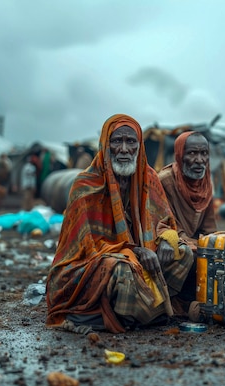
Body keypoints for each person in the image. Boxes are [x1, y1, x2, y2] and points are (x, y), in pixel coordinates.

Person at [46, 114, 194, 334]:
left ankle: (144, 310)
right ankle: (133, 313)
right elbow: (86, 249)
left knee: (182, 253)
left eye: (131, 142)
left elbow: (165, 222)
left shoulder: (149, 178)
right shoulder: (86, 185)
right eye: (117, 141)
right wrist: (134, 251)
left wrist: (165, 239)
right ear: (106, 145)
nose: (124, 149)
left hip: (143, 258)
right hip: (96, 263)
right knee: (121, 270)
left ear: (139, 146)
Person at [158, 131, 217, 309]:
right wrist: (193, 244)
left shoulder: (205, 183)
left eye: (204, 153)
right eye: (192, 153)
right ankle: (173, 303)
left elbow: (210, 229)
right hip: (171, 240)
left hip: (194, 242)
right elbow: (162, 223)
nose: (199, 159)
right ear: (180, 154)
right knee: (187, 254)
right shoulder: (165, 181)